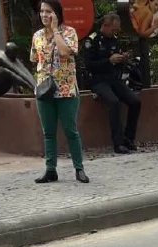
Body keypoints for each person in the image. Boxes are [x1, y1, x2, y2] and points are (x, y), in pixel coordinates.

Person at [30, 0, 88, 184]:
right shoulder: (37, 35)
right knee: (48, 132)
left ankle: (79, 168)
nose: (44, 15)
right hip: (44, 90)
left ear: (57, 14)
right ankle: (50, 169)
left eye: (49, 11)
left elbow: (64, 52)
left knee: (71, 130)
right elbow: (33, 58)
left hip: (66, 89)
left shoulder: (69, 32)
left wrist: (55, 31)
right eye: (42, 11)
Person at [83, 12, 140, 154]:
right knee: (114, 102)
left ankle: (129, 138)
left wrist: (123, 58)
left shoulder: (114, 40)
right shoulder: (92, 41)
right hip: (98, 80)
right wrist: (108, 61)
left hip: (113, 78)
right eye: (113, 29)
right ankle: (118, 143)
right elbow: (89, 64)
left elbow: (117, 61)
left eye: (117, 30)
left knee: (135, 101)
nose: (115, 32)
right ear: (105, 25)